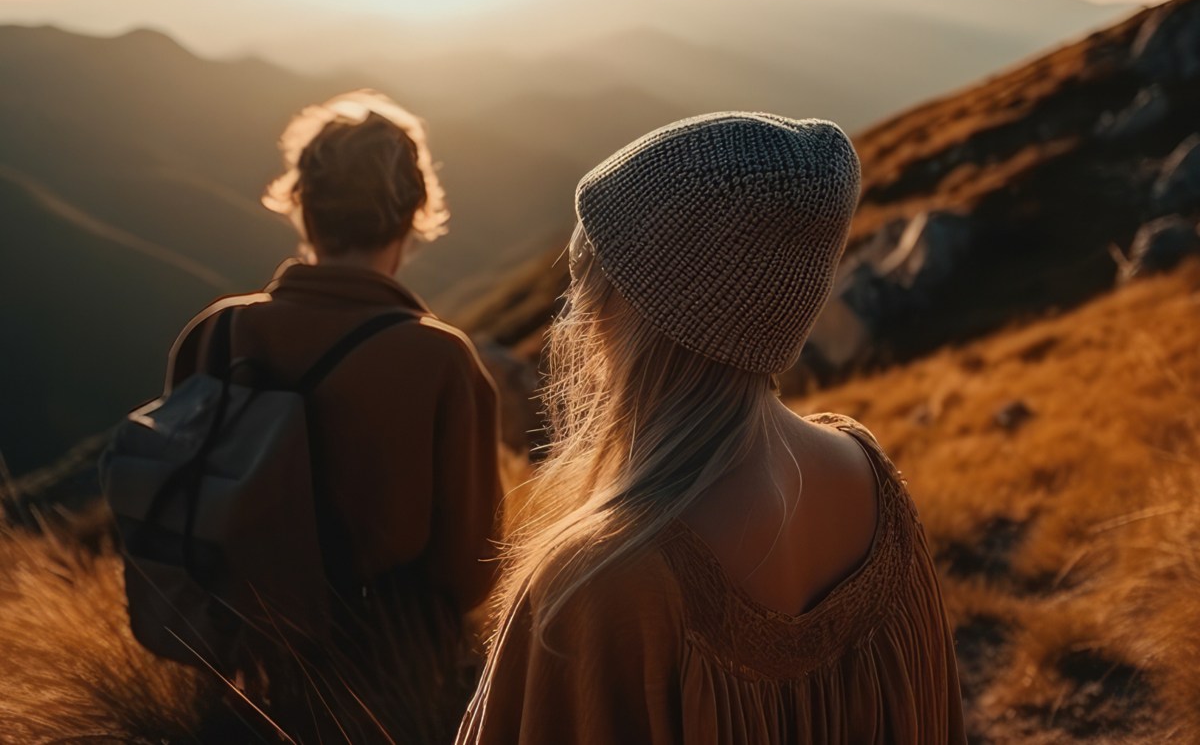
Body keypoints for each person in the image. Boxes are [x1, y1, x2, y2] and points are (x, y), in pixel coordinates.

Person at [457, 113, 966, 744]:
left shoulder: (598, 580)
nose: (580, 313)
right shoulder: (872, 485)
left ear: (628, 316)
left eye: (590, 283)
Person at [166, 90, 501, 743]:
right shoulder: (439, 360)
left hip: (236, 678)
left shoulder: (215, 334)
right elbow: (468, 571)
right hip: (385, 696)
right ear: (414, 212)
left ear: (302, 204)